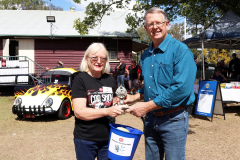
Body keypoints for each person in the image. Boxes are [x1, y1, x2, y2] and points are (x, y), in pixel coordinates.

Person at [124, 7, 197, 160]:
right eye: (151, 24)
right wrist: (135, 97)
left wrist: (146, 106)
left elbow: (181, 89)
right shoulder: (145, 55)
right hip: (151, 119)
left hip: (174, 119)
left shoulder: (181, 51)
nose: (155, 27)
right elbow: (152, 86)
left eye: (159, 22)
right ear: (146, 28)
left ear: (167, 24)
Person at [71, 43, 123, 160]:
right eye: (94, 58)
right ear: (87, 59)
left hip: (108, 137)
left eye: (102, 58)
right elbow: (79, 112)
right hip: (86, 139)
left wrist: (117, 104)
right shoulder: (80, 79)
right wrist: (108, 111)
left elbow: (113, 100)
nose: (99, 61)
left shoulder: (109, 79)